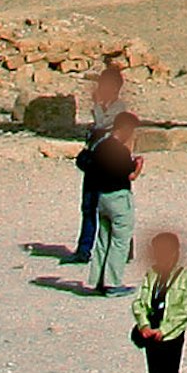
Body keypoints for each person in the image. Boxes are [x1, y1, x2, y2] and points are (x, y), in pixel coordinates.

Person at [129, 230, 187, 373]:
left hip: (172, 335)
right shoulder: (151, 275)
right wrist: (144, 325)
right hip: (151, 333)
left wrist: (164, 330)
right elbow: (140, 301)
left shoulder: (186, 278)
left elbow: (185, 310)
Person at [80, 117, 144, 295]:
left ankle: (98, 280)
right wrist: (139, 165)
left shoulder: (100, 145)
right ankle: (113, 283)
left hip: (102, 197)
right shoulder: (120, 151)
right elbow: (130, 175)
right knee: (119, 241)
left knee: (103, 239)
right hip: (119, 197)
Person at [72, 66, 128, 261]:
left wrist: (97, 106)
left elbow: (103, 125)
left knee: (114, 208)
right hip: (95, 161)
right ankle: (84, 249)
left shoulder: (118, 108)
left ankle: (124, 250)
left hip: (110, 163)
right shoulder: (103, 106)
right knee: (89, 206)